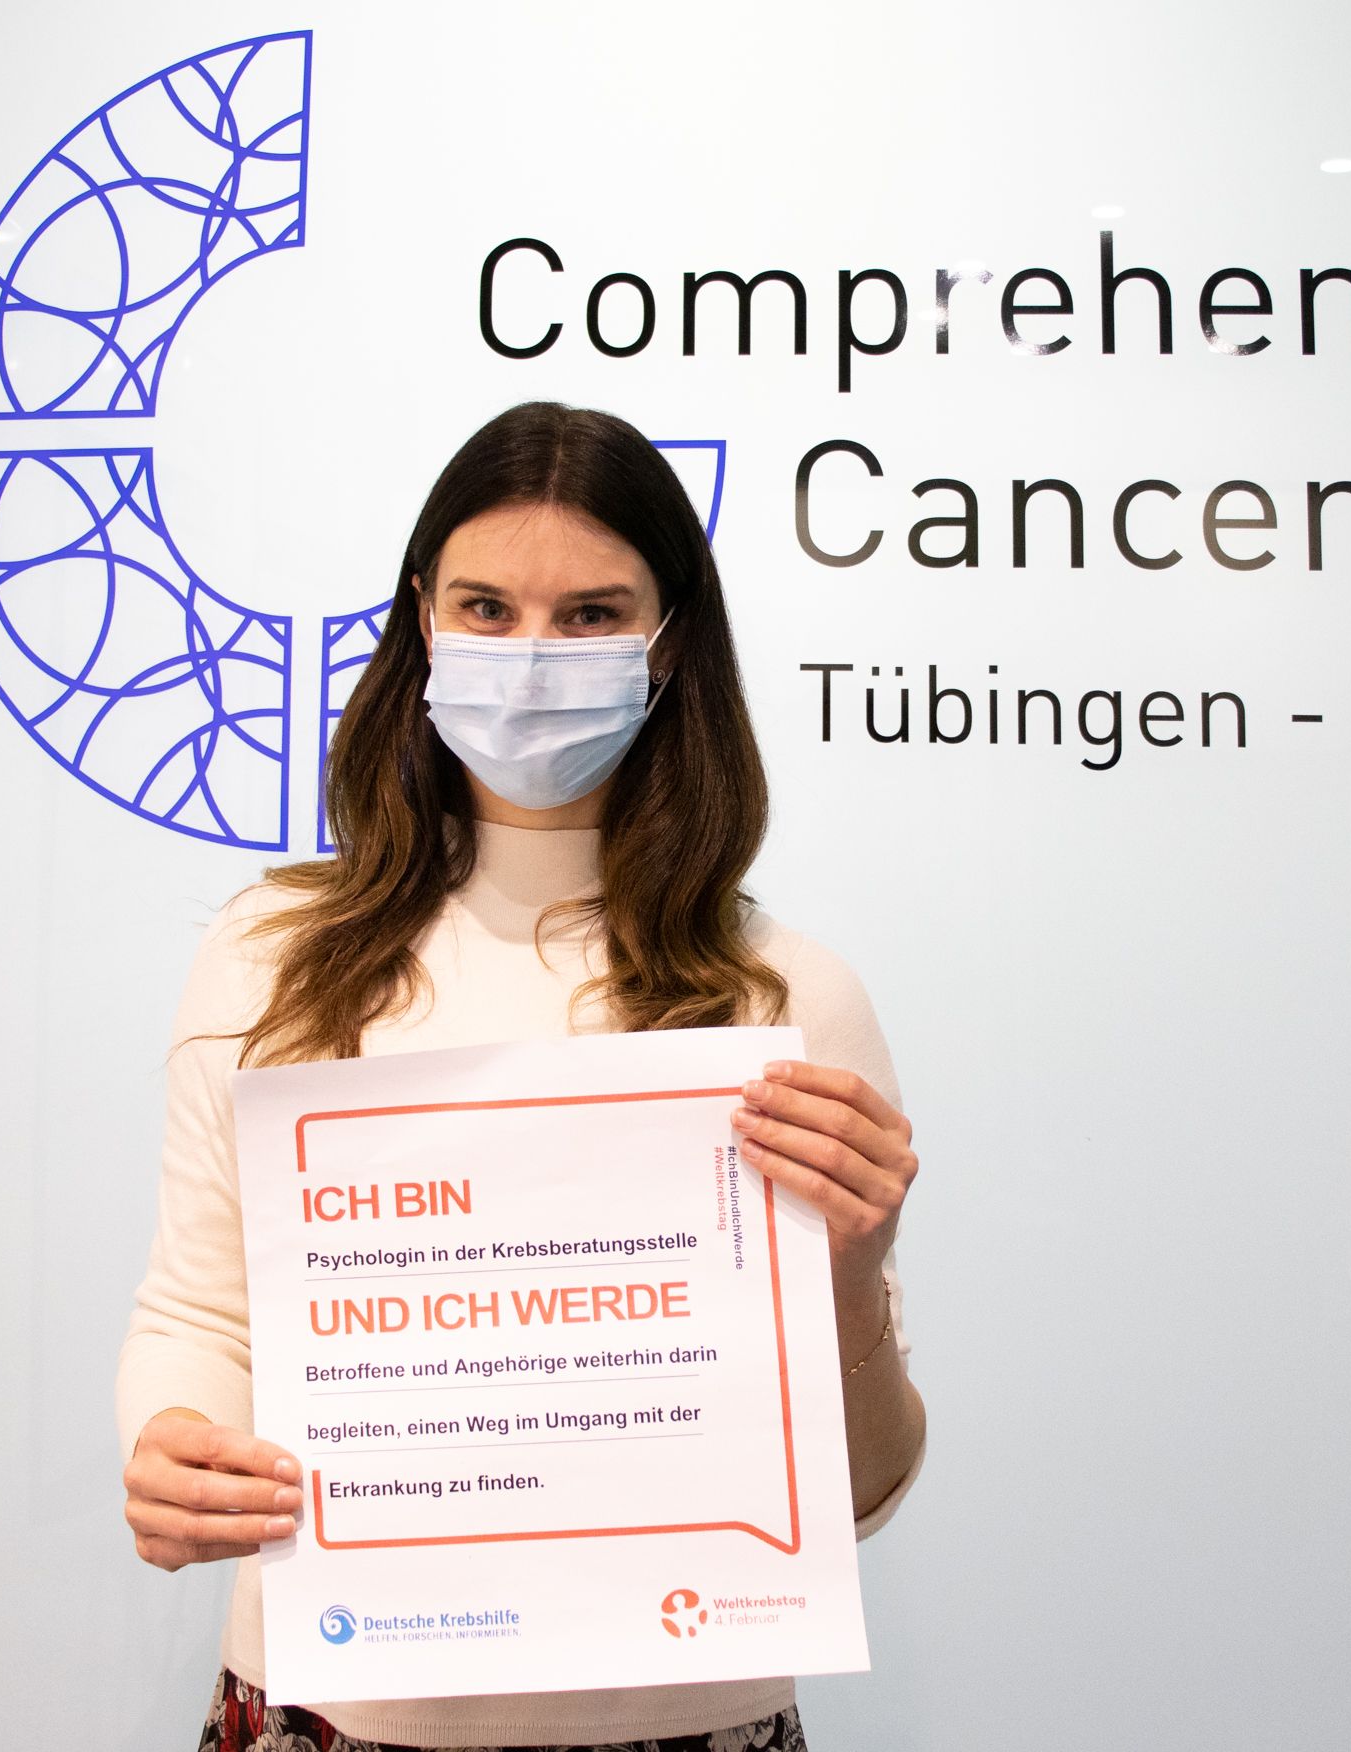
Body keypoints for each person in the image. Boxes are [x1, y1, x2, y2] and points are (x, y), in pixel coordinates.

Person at [115, 401, 928, 1751]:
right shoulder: (272, 957)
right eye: (485, 609)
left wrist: (851, 1271)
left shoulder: (784, 997)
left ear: (671, 644)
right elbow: (199, 1309)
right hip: (333, 1706)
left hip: (691, 1718)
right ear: (420, 618)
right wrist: (174, 1438)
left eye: (592, 615)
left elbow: (858, 1499)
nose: (533, 657)